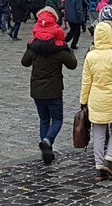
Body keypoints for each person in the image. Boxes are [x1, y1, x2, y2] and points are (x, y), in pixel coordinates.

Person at [79, 22, 112, 179]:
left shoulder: (90, 56)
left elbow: (86, 81)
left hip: (95, 98)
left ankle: (98, 164)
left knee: (98, 133)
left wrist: (83, 101)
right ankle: (109, 158)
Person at [20, 17, 78, 164]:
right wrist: (68, 49)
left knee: (44, 119)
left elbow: (24, 62)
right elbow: (73, 65)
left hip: (37, 90)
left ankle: (47, 151)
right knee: (57, 119)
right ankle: (47, 141)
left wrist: (29, 46)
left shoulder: (34, 48)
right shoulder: (59, 50)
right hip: (54, 90)